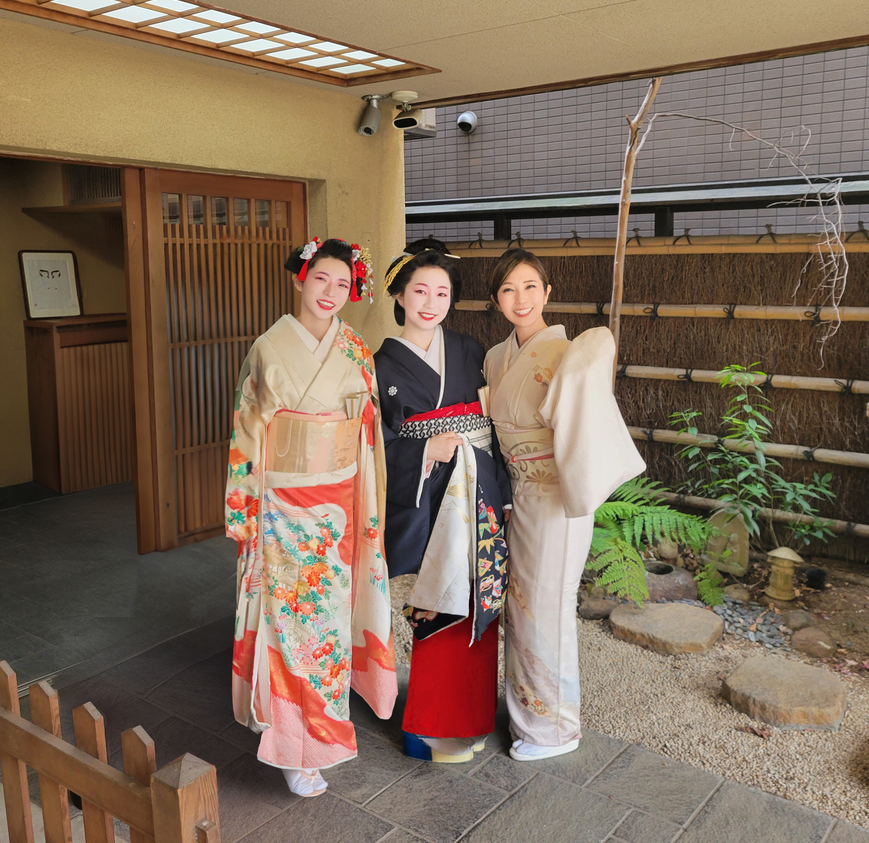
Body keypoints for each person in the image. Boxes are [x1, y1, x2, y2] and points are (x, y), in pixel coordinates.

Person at [225, 238, 395, 797]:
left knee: (330, 625)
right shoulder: (269, 349)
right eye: (321, 279)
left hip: (340, 507)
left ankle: (323, 728)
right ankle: (297, 746)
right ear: (300, 279)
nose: (331, 292)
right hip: (284, 509)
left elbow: (370, 431)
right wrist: (244, 508)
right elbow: (247, 430)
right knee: (293, 625)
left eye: (343, 285)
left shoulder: (355, 348)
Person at [482, 249, 644, 761]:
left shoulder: (569, 355)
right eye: (508, 289)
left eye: (530, 287)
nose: (521, 298)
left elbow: (584, 430)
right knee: (521, 605)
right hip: (515, 494)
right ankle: (528, 714)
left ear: (548, 292)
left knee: (546, 607)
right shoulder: (495, 357)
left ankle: (553, 731)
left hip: (555, 496)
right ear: (496, 300)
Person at [374, 240, 511, 764]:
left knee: (479, 595)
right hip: (429, 495)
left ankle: (472, 717)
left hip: (479, 486)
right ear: (401, 296)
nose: (431, 302)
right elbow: (375, 444)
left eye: (442, 292)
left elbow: (490, 426)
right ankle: (426, 724)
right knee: (436, 599)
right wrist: (422, 448)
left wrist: (500, 491)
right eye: (420, 291)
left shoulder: (469, 349)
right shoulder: (379, 365)